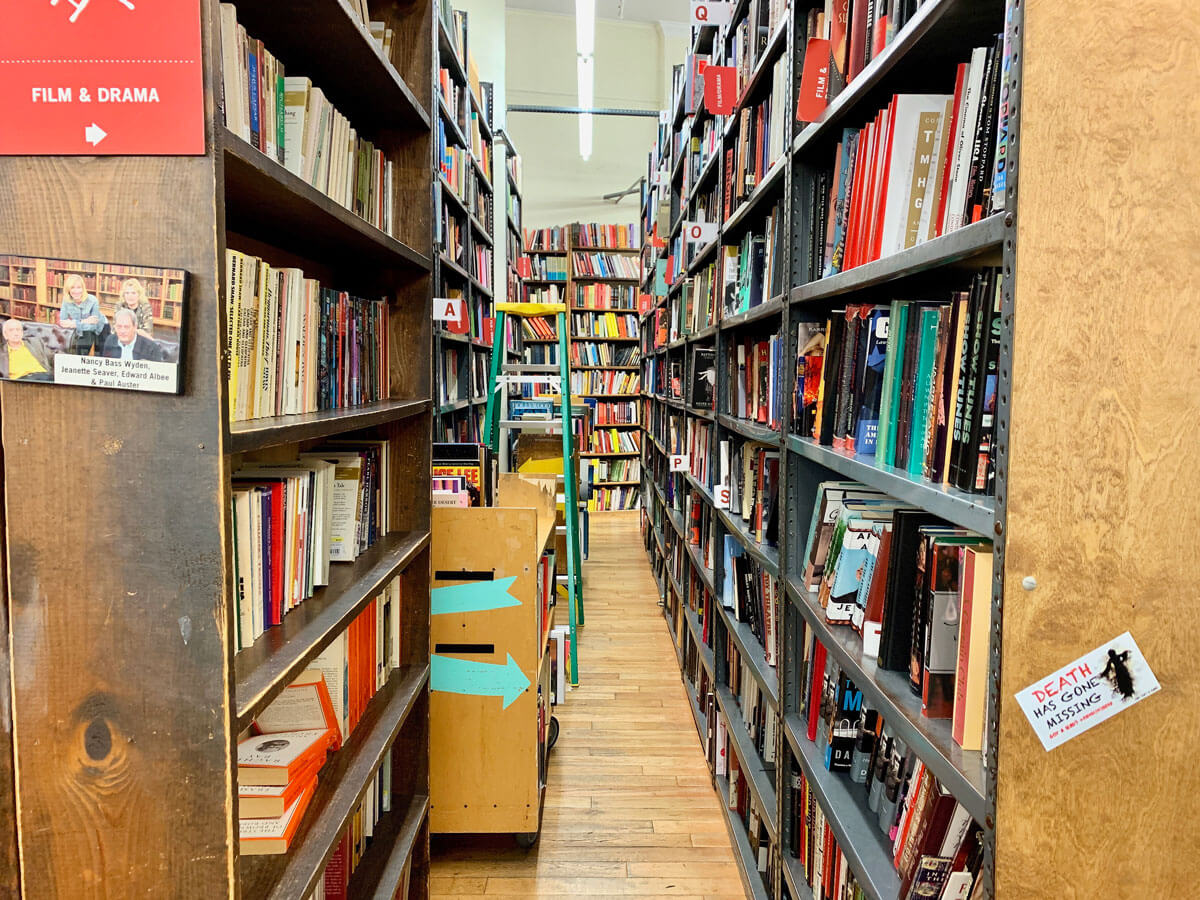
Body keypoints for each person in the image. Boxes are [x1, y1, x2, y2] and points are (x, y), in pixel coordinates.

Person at [58, 273, 107, 356]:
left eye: (79, 287)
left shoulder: (93, 300)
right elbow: (63, 322)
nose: (76, 291)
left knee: (100, 356)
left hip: (101, 327)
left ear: (83, 288)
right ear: (68, 289)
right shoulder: (66, 300)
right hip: (84, 328)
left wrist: (74, 323)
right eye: (72, 287)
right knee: (80, 354)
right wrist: (84, 321)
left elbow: (93, 326)